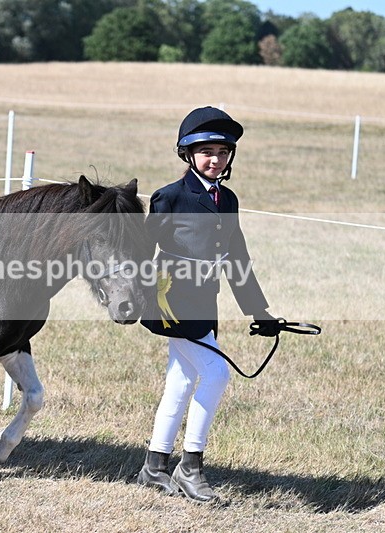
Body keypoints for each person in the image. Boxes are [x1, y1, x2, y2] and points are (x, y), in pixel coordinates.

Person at [137, 106, 280, 504]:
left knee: (182, 381)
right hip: (171, 303)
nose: (214, 159)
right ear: (188, 155)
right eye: (206, 152)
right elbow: (141, 251)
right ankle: (190, 466)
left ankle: (153, 466)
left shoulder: (228, 199)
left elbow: (236, 256)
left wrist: (259, 311)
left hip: (204, 303)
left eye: (221, 151)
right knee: (216, 374)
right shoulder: (170, 197)